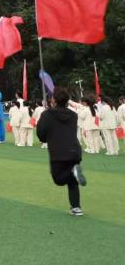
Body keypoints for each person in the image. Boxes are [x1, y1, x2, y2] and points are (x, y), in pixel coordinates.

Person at [36, 88, 86, 216]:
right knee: (73, 182)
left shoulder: (47, 114)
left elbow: (41, 134)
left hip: (58, 152)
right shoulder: (73, 115)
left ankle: (73, 172)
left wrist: (44, 137)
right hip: (74, 150)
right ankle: (76, 208)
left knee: (59, 179)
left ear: (53, 100)